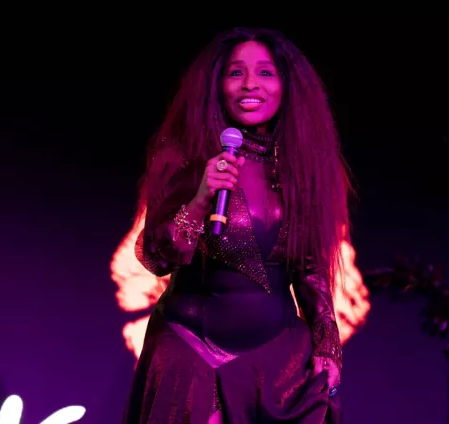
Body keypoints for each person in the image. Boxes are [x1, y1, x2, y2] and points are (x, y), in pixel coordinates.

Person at [125, 27, 354, 424]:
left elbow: (309, 266)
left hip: (277, 360)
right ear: (216, 84)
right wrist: (201, 198)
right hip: (190, 349)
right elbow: (156, 257)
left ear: (286, 85)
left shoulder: (302, 163)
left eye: (265, 72)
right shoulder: (184, 154)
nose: (250, 84)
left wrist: (327, 344)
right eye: (236, 73)